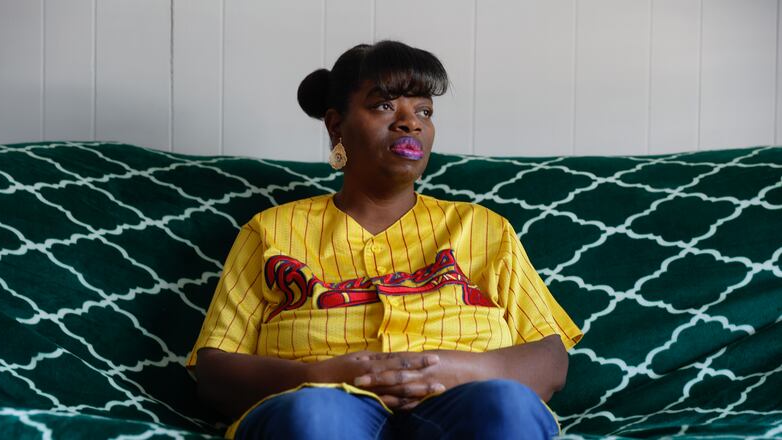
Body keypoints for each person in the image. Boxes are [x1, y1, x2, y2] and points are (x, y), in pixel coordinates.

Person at [187, 40, 582, 440]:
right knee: (314, 414)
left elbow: (549, 358)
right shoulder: (269, 231)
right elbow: (216, 370)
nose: (411, 123)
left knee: (507, 407)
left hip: (462, 403)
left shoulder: (485, 229)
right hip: (324, 402)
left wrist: (464, 369)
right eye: (384, 106)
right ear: (336, 125)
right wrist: (315, 375)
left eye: (424, 111)